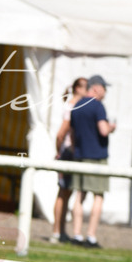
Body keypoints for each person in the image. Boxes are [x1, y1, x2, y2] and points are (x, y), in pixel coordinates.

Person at [69, 74, 116, 248]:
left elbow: (72, 135)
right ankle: (91, 236)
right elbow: (103, 130)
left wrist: (76, 153)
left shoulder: (76, 105)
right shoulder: (97, 106)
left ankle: (76, 235)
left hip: (80, 156)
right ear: (96, 88)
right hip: (97, 157)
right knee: (98, 196)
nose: (105, 92)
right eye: (104, 88)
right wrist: (111, 128)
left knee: (79, 195)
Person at [50, 76, 88, 243]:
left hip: (72, 153)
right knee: (63, 192)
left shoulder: (76, 106)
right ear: (78, 89)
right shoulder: (71, 106)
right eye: (86, 87)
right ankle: (57, 231)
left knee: (67, 192)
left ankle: (61, 231)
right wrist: (59, 152)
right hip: (67, 153)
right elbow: (61, 133)